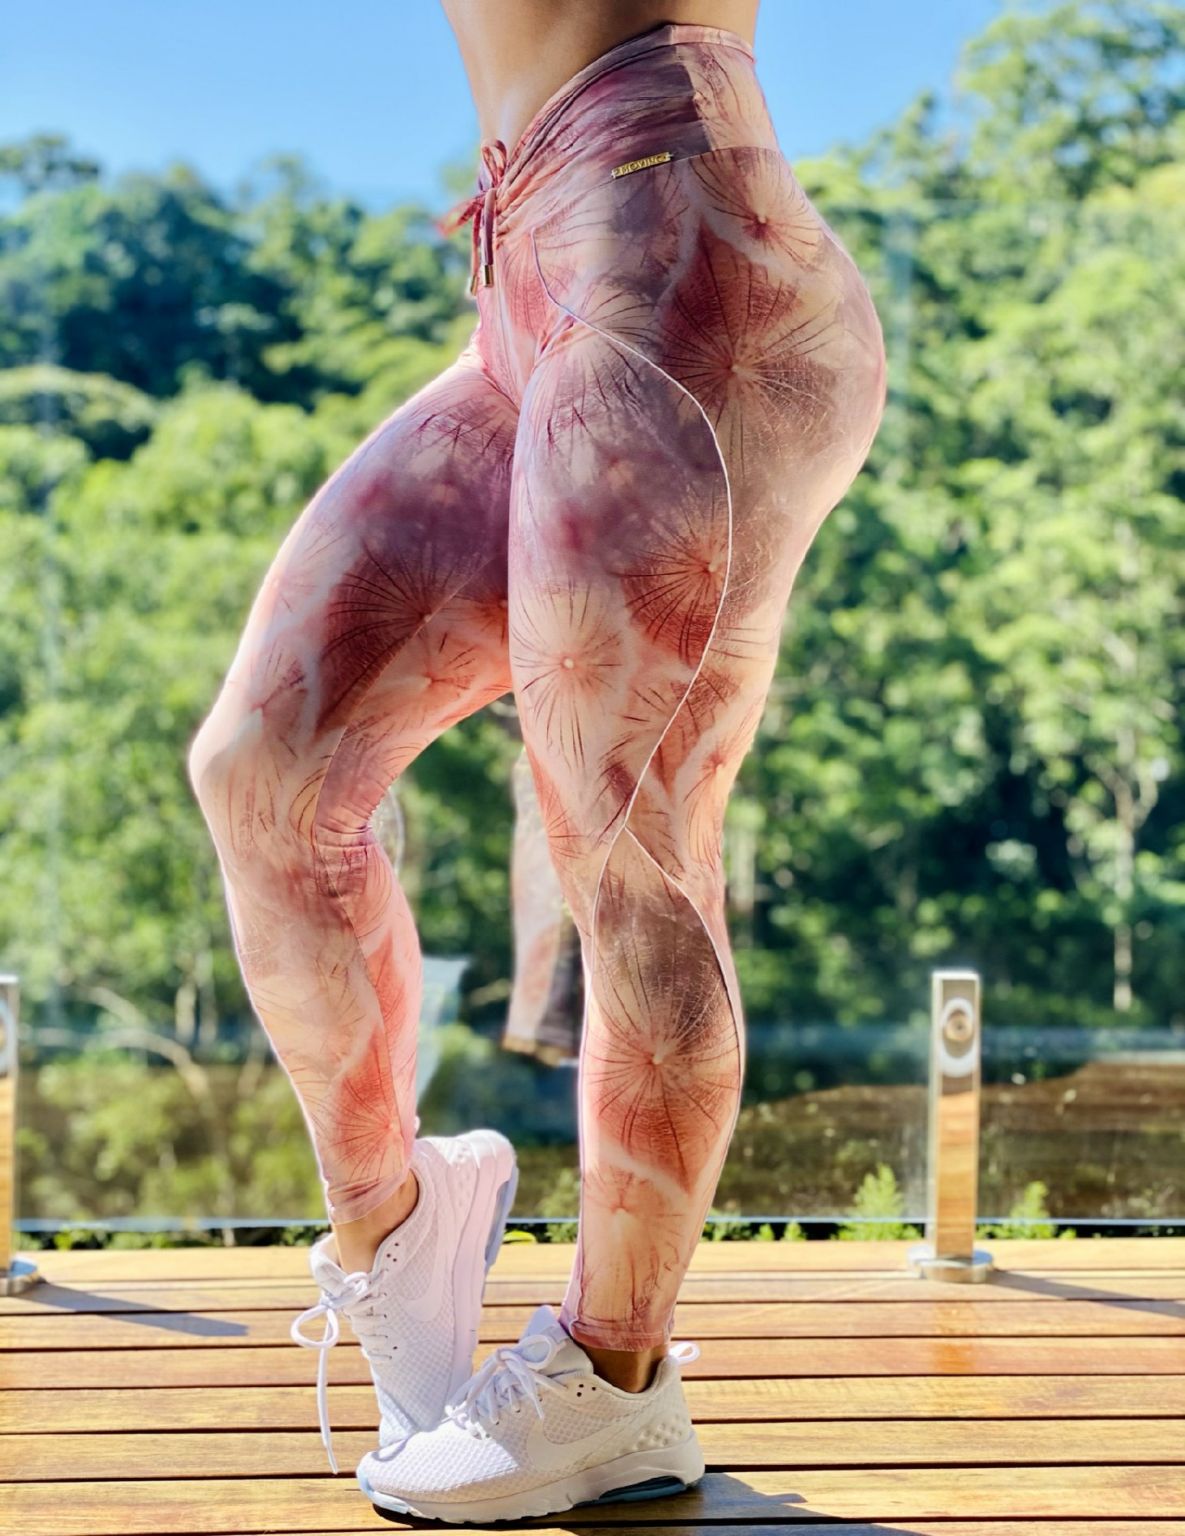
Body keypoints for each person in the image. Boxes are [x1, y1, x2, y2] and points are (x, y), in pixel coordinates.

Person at [187, 0, 887, 1521]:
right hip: (524, 280)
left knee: (632, 856)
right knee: (262, 774)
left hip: (680, 262)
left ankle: (618, 1382)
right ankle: (400, 1226)